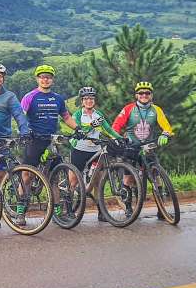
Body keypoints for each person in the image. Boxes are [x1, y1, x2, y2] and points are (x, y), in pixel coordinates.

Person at [19, 64, 78, 225]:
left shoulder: (58, 98)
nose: (45, 79)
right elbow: (21, 116)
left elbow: (66, 117)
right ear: (37, 79)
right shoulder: (30, 96)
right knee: (27, 175)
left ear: (52, 79)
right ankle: (20, 212)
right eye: (42, 77)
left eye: (48, 77)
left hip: (51, 140)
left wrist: (78, 129)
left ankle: (57, 212)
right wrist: (24, 131)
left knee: (54, 177)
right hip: (34, 139)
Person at [112, 81, 174, 219]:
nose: (144, 95)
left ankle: (161, 211)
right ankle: (128, 208)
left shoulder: (156, 109)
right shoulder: (128, 109)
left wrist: (165, 133)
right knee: (128, 179)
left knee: (157, 178)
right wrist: (117, 138)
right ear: (136, 95)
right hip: (131, 147)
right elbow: (116, 125)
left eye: (147, 93)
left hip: (148, 147)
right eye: (141, 93)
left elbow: (166, 126)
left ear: (151, 95)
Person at [68, 86, 123, 221]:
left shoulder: (98, 115)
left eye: (91, 98)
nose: (89, 101)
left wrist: (120, 139)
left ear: (94, 100)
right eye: (86, 99)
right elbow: (78, 130)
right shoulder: (78, 115)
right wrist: (92, 125)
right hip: (80, 150)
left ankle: (101, 212)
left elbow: (109, 130)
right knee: (73, 181)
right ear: (82, 101)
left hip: (95, 151)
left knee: (98, 181)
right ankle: (68, 210)